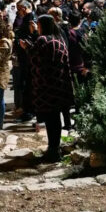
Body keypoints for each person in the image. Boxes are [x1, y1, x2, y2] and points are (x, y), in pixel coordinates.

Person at [21, 14, 74, 162]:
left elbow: (36, 58)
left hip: (46, 87)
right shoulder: (59, 40)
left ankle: (52, 150)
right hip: (60, 85)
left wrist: (27, 48)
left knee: (51, 120)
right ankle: (54, 148)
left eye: (38, 25)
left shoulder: (43, 40)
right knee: (56, 119)